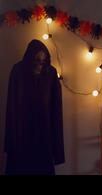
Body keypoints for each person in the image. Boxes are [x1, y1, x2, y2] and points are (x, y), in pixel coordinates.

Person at [5, 39, 65, 175]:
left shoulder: (50, 73)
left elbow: (55, 106)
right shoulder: (18, 71)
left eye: (43, 61)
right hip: (22, 128)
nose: (40, 65)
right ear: (30, 58)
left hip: (44, 129)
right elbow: (12, 104)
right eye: (37, 60)